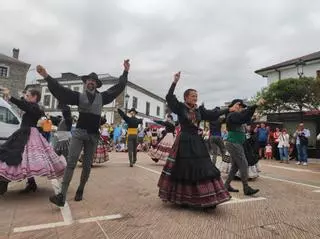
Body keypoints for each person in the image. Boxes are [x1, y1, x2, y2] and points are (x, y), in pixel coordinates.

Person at [36, 59, 130, 207]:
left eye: (93, 81)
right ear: (85, 83)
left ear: (96, 84)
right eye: (88, 80)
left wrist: (125, 71)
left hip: (93, 136)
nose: (90, 82)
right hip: (79, 133)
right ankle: (62, 195)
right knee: (71, 163)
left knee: (87, 166)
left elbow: (118, 87)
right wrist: (47, 76)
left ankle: (81, 188)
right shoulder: (78, 97)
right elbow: (61, 91)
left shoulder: (103, 97)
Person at [158, 72, 233, 209]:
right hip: (184, 141)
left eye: (196, 96)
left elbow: (213, 114)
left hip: (197, 141)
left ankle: (208, 196)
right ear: (186, 97)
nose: (195, 98)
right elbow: (169, 97)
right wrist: (174, 82)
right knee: (185, 168)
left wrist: (228, 109)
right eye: (193, 96)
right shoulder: (180, 107)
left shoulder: (199, 111)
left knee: (204, 165)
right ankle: (185, 198)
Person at [0, 88, 66, 195]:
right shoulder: (33, 107)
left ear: (34, 97)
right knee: (21, 158)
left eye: (28, 95)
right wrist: (17, 96)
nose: (26, 96)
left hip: (29, 134)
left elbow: (24, 106)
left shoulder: (35, 107)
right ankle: (29, 183)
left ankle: (8, 182)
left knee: (20, 157)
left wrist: (11, 97)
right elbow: (25, 104)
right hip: (24, 132)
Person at [224, 98, 265, 196]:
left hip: (236, 143)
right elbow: (244, 117)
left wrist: (254, 117)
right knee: (244, 164)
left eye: (242, 107)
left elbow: (245, 119)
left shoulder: (235, 116)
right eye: (240, 106)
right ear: (235, 106)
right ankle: (246, 188)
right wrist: (256, 105)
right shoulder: (232, 115)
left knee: (235, 166)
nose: (242, 108)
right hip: (234, 143)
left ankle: (226, 185)